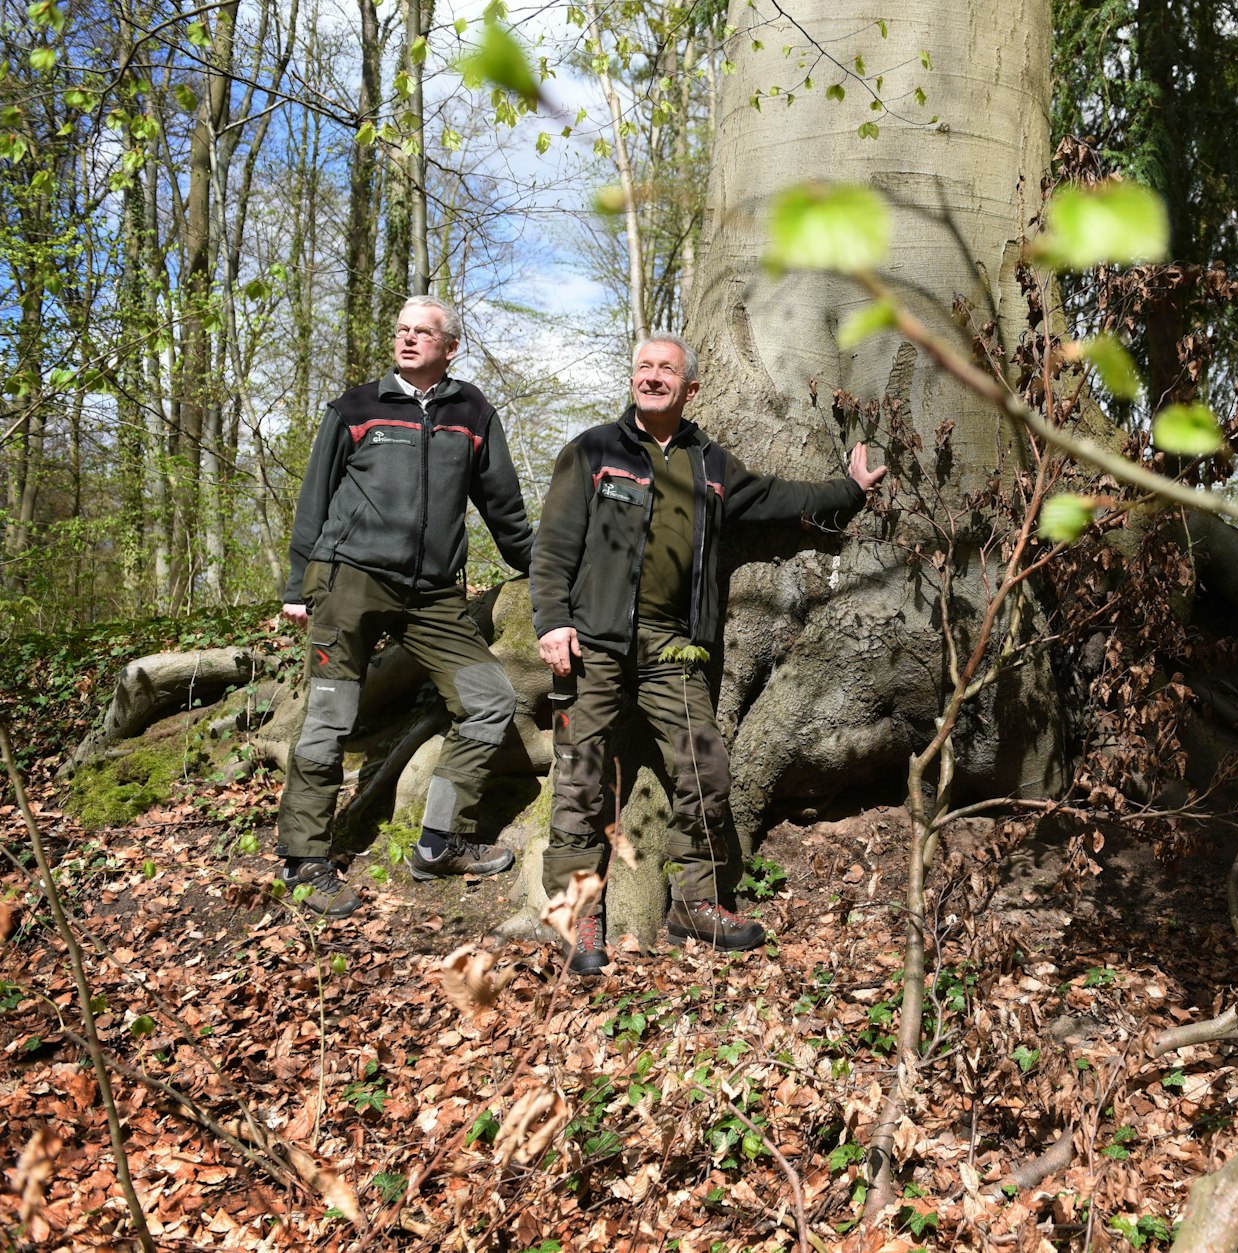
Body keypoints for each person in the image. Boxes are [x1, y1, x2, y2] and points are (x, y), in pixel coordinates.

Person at [531, 332, 886, 973]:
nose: (652, 377)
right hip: (593, 641)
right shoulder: (592, 451)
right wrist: (552, 621)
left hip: (673, 647)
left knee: (706, 768)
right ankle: (575, 917)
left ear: (690, 387)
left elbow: (780, 498)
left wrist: (851, 490)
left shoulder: (710, 464)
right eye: (644, 367)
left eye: (666, 369)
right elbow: (553, 543)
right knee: (580, 774)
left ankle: (694, 905)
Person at [276, 294, 536, 917]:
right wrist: (296, 585)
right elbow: (315, 498)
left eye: (423, 331)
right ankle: (305, 857)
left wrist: (547, 572)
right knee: (330, 716)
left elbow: (503, 508)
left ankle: (440, 842)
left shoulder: (473, 412)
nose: (409, 339)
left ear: (451, 346)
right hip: (350, 581)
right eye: (402, 330)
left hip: (434, 595)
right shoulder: (355, 407)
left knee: (489, 699)